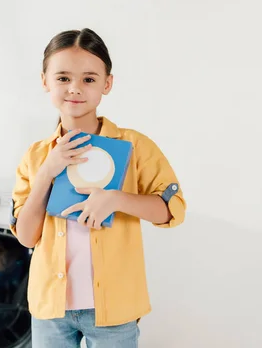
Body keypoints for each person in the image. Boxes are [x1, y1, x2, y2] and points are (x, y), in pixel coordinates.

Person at [9, 28, 186, 348]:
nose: (75, 88)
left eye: (88, 79)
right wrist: (47, 173)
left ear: (107, 84)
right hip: (51, 307)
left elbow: (173, 209)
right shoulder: (36, 156)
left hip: (114, 309)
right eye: (63, 78)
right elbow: (25, 236)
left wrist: (117, 199)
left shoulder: (135, 146)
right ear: (45, 81)